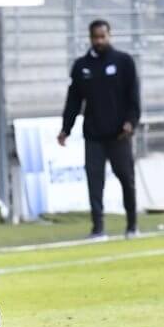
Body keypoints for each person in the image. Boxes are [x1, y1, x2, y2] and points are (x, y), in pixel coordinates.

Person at [58, 19, 140, 239]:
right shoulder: (81, 66)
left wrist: (131, 123)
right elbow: (74, 101)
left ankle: (132, 225)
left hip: (119, 135)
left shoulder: (124, 62)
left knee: (126, 179)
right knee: (95, 183)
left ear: (109, 35)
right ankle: (98, 228)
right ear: (90, 38)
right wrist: (66, 128)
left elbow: (134, 99)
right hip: (93, 135)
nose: (99, 41)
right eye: (95, 37)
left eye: (103, 36)